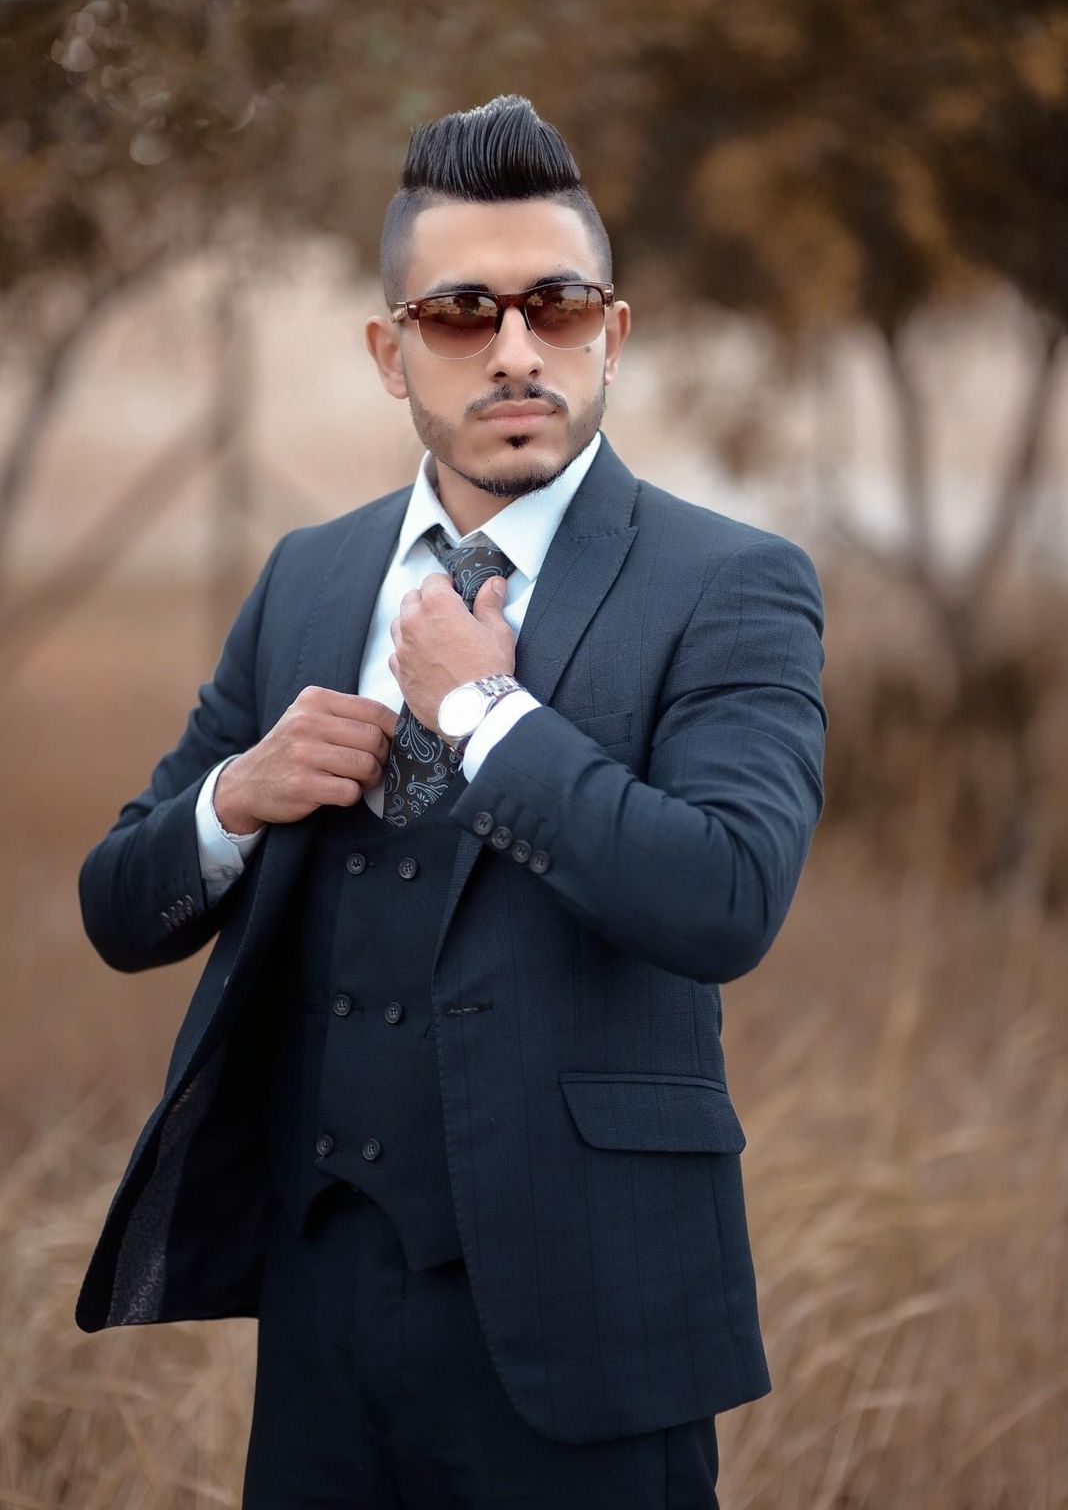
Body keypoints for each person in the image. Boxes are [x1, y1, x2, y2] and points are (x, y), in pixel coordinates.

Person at [75, 92, 828, 1509]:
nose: (517, 350)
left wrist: (486, 715)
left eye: (558, 305)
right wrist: (238, 797)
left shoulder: (731, 583)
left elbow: (727, 897)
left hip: (588, 1320)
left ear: (614, 332)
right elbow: (119, 907)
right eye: (463, 314)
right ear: (391, 350)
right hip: (319, 1319)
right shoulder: (308, 576)